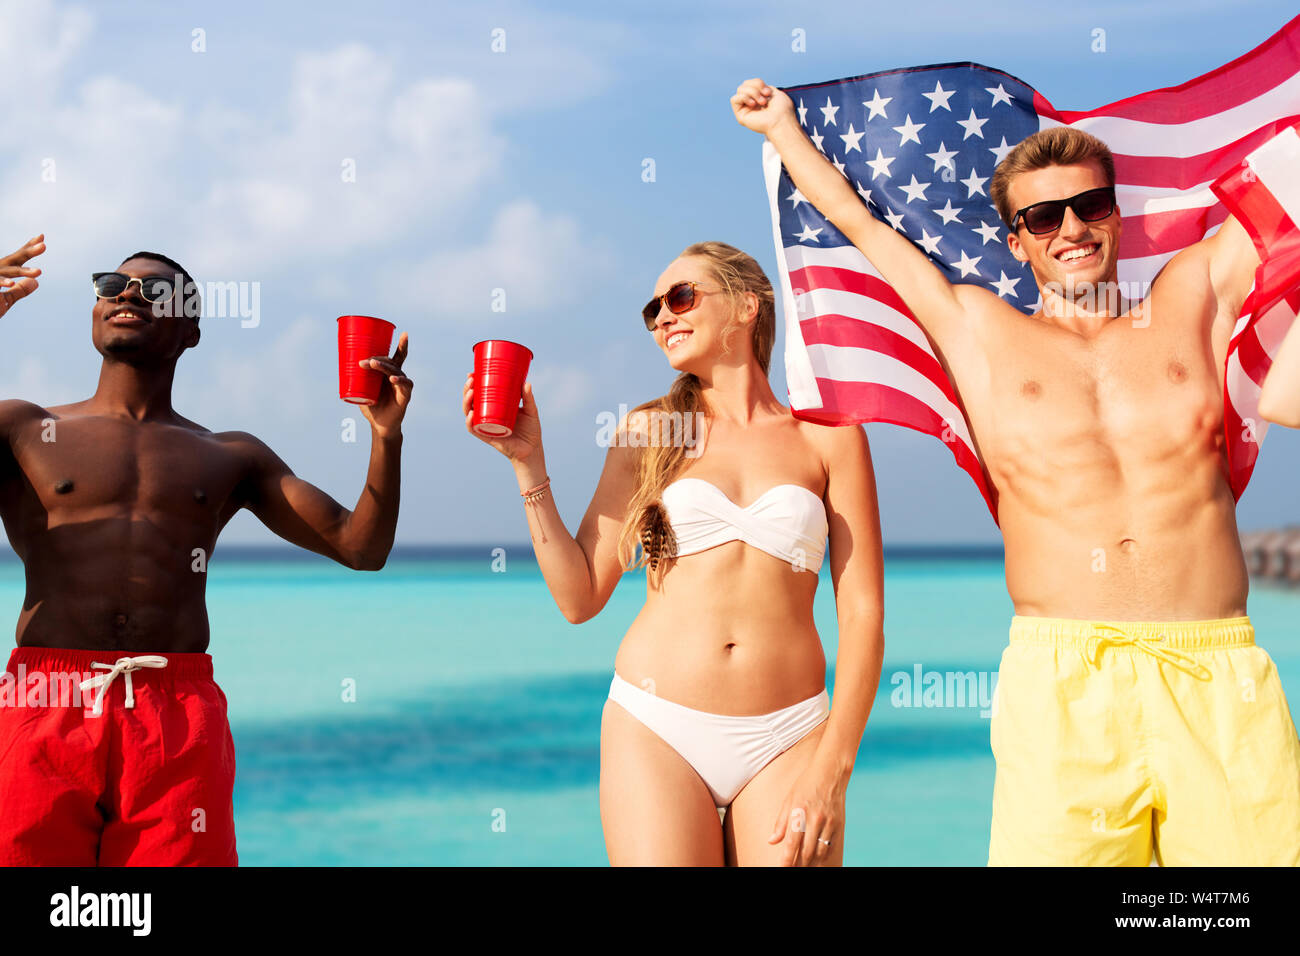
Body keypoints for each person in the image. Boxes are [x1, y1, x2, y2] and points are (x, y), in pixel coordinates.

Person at [733, 79, 1300, 865]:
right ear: (1017, 241)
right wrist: (783, 132)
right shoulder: (979, 332)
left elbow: (1287, 196)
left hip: (1218, 675)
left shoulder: (1193, 294)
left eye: (1091, 206)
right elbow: (859, 223)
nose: (1072, 228)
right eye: (1043, 217)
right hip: (1061, 685)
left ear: (1117, 214)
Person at [464, 241, 883, 865]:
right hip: (658, 728)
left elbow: (863, 615)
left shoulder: (831, 438)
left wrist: (833, 770)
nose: (662, 316)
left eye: (681, 297)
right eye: (653, 308)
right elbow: (579, 597)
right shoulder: (648, 431)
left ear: (746, 306)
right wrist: (529, 465)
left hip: (790, 733)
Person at [0, 235, 413, 865]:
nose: (128, 294)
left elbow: (361, 546)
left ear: (190, 329)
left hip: (173, 713)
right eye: (112, 285)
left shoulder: (228, 455)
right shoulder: (24, 428)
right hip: (45, 703)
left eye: (154, 290)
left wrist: (386, 437)